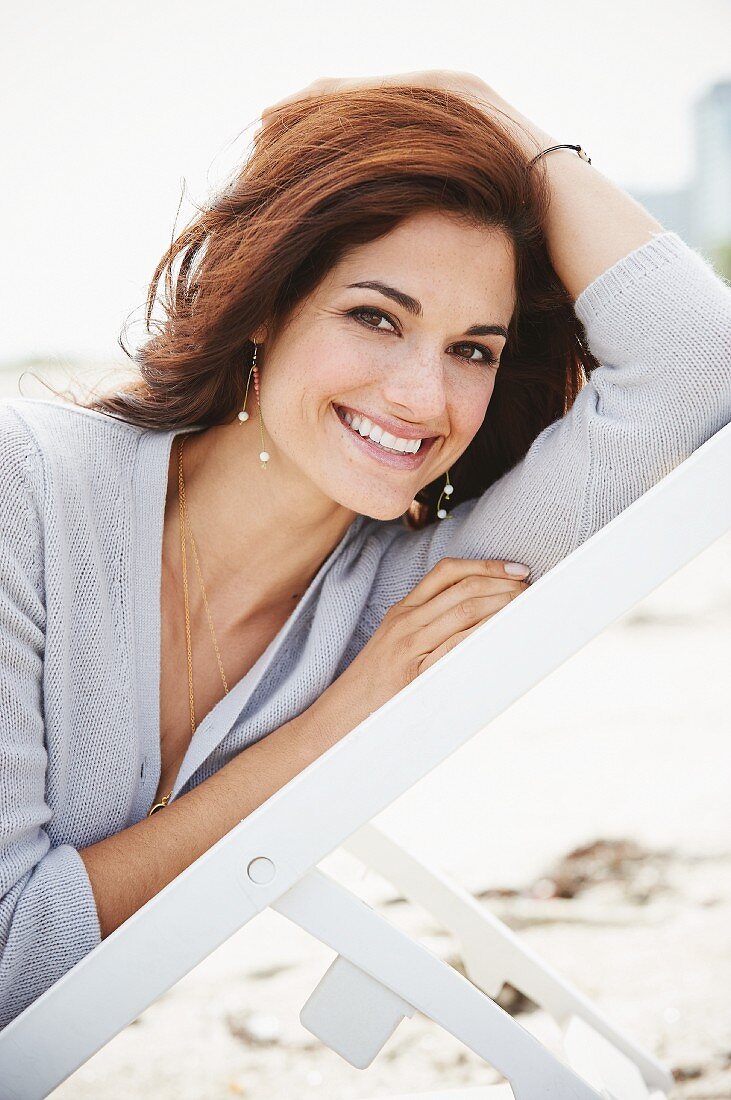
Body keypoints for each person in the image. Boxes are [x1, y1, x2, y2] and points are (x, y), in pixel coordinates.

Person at [1, 71, 730, 1031]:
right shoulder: (25, 497)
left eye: (472, 348)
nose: (422, 399)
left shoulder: (412, 591)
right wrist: (338, 724)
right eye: (375, 318)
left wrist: (483, 110)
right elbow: (14, 950)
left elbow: (695, 358)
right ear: (266, 304)